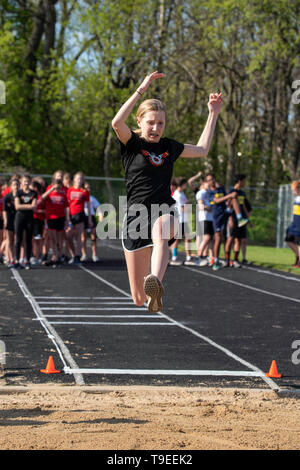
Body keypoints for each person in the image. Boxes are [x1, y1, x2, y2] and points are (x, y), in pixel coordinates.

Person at [111, 70, 222, 312]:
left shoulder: (169, 147)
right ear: (140, 122)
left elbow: (202, 149)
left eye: (160, 123)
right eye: (151, 122)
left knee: (162, 230)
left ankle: (156, 282)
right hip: (135, 217)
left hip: (163, 209)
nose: (156, 127)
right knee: (138, 299)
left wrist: (212, 114)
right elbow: (116, 122)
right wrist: (142, 87)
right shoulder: (132, 144)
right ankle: (150, 294)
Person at [41, 174, 70, 267]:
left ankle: (58, 256)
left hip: (60, 218)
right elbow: (42, 198)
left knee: (59, 239)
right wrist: (51, 189)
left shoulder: (63, 194)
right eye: (56, 187)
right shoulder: (50, 192)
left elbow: (66, 207)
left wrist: (67, 219)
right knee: (53, 239)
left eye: (59, 187)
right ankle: (54, 256)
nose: (57, 189)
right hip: (51, 218)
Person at [67, 172, 92, 265]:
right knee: (68, 236)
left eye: (81, 179)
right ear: (74, 179)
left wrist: (89, 219)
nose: (79, 180)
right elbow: (67, 204)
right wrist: (67, 218)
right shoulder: (69, 190)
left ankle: (77, 256)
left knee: (78, 237)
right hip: (70, 215)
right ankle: (73, 254)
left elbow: (89, 206)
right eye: (77, 178)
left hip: (80, 215)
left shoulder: (84, 191)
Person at [14, 174, 37, 269]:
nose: (26, 183)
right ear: (21, 183)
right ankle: (17, 260)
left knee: (28, 240)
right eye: (24, 181)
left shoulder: (33, 193)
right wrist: (29, 206)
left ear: (30, 182)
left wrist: (25, 206)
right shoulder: (18, 193)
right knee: (18, 239)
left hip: (29, 218)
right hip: (20, 217)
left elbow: (34, 206)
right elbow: (17, 206)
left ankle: (27, 260)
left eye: (28, 181)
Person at [81, 182, 103, 262]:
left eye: (88, 188)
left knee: (93, 237)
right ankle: (84, 254)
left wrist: (100, 216)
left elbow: (99, 207)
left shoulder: (92, 198)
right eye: (86, 188)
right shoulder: (80, 197)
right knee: (83, 237)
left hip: (92, 217)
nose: (87, 189)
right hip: (83, 217)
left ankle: (94, 254)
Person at [196, 179, 214, 266]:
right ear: (203, 183)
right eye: (208, 182)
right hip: (204, 217)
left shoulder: (210, 192)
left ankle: (211, 258)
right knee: (206, 237)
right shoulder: (201, 193)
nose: (210, 184)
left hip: (210, 218)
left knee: (211, 239)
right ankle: (199, 256)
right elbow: (200, 206)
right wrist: (208, 208)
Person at [3, 178, 20, 268]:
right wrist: (5, 220)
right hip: (10, 219)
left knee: (18, 239)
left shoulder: (20, 196)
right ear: (10, 186)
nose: (16, 187)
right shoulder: (7, 197)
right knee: (10, 240)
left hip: (18, 220)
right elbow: (5, 210)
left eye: (17, 185)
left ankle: (18, 258)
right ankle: (11, 259)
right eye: (14, 185)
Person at [285, 180, 300, 268]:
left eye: (294, 189)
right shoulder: (296, 198)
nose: (293, 192)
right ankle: (298, 256)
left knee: (299, 243)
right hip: (294, 224)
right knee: (288, 239)